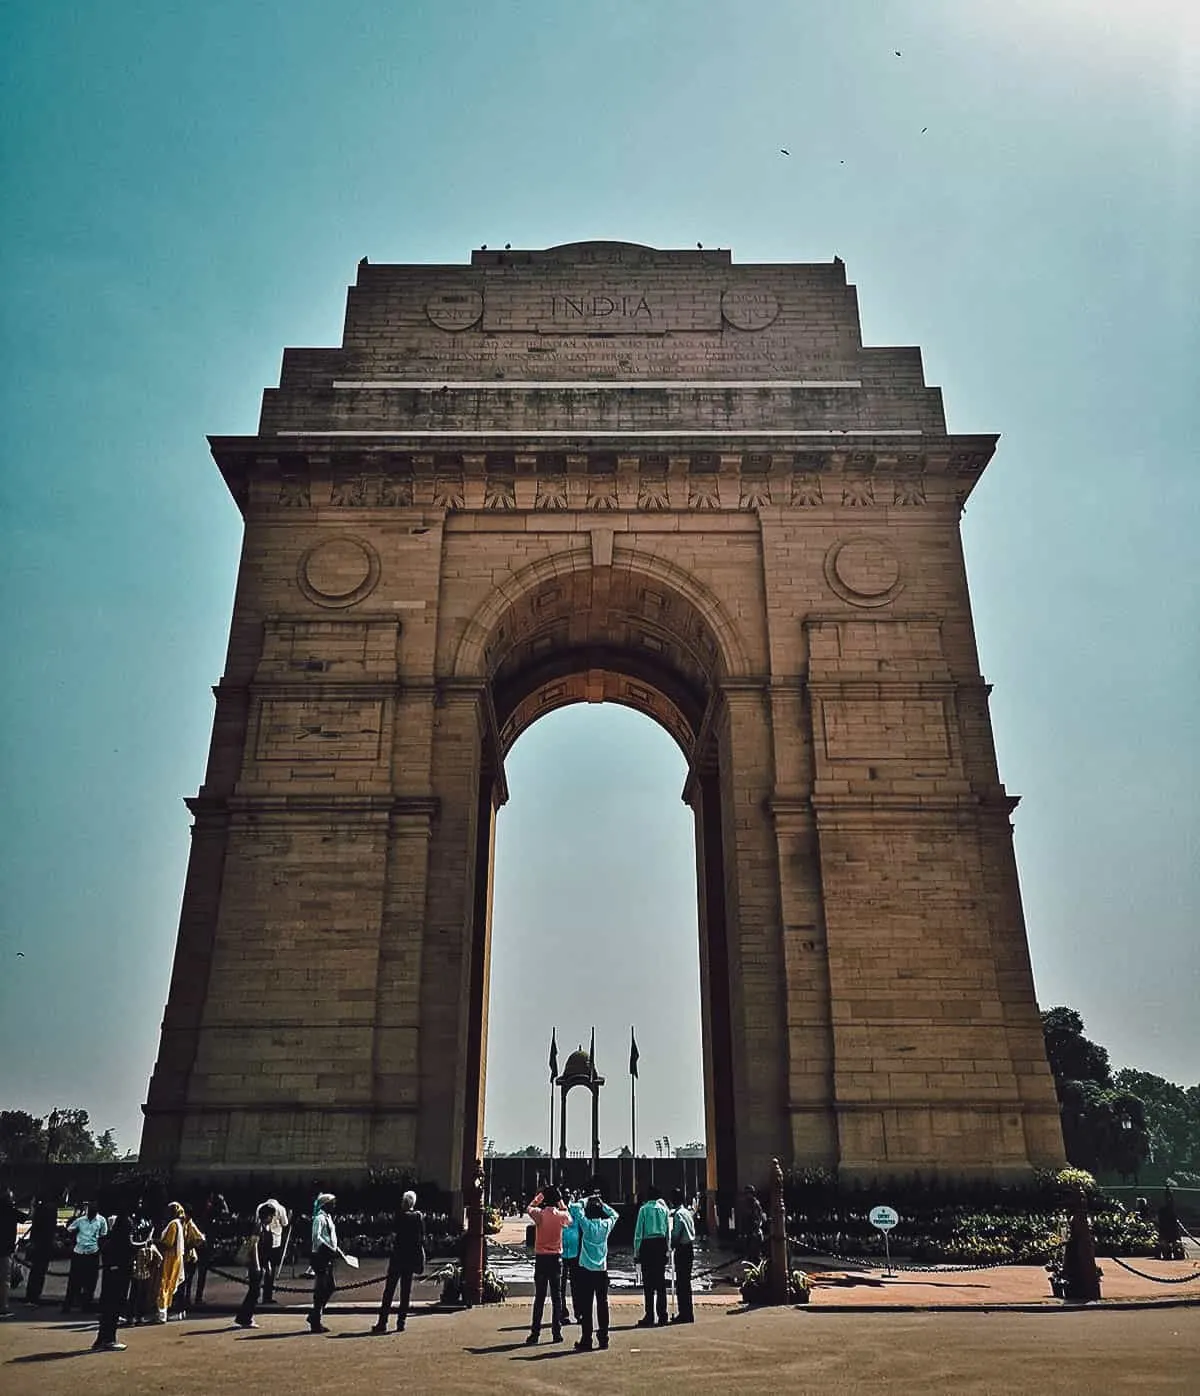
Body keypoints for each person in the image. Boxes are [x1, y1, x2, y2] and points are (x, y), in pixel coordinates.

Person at [372, 1189, 425, 1334]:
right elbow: (421, 1238)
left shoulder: (400, 1216)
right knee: (405, 1292)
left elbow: (393, 1234)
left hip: (397, 1258)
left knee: (389, 1291)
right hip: (410, 1259)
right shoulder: (418, 1217)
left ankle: (382, 1322)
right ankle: (401, 1322)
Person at [524, 1184, 572, 1345]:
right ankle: (556, 1332)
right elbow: (569, 1219)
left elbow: (529, 1207)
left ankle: (535, 1333)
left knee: (540, 1297)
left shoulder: (539, 1215)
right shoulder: (560, 1216)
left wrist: (540, 1196)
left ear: (545, 1200)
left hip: (541, 1258)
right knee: (557, 1297)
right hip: (556, 1258)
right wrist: (560, 1201)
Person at [574, 1191, 618, 1352]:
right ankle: (604, 1338)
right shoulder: (606, 1225)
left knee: (586, 1305)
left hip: (586, 1269)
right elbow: (615, 1214)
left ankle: (586, 1339)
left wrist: (586, 1200)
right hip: (601, 1269)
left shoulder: (586, 1225)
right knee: (602, 1304)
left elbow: (576, 1208)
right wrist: (601, 1202)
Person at [93, 1204, 134, 1352]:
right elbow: (129, 1246)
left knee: (108, 1307)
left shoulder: (111, 1237)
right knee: (115, 1306)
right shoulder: (125, 1225)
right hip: (120, 1270)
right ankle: (109, 1339)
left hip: (112, 1270)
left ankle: (102, 1338)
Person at [308, 1192, 349, 1333]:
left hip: (327, 1255)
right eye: (332, 1203)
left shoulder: (328, 1218)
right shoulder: (319, 1218)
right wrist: (329, 1247)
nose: (335, 1205)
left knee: (330, 1286)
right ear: (326, 1205)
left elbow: (330, 1236)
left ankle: (315, 1314)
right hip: (320, 1256)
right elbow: (316, 1237)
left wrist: (336, 1249)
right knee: (321, 1289)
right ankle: (316, 1319)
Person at [633, 1186, 671, 1327]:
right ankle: (663, 1315)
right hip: (660, 1244)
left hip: (647, 1245)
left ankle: (649, 1316)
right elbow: (668, 1232)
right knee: (660, 1283)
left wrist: (636, 1252)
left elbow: (638, 1233)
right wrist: (667, 1249)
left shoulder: (643, 1210)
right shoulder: (663, 1210)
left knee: (648, 1284)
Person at [234, 1202, 275, 1329]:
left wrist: (267, 1264)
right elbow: (254, 1246)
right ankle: (245, 1317)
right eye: (271, 1216)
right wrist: (257, 1265)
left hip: (262, 1262)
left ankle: (243, 1317)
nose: (272, 1219)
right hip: (255, 1264)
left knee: (255, 1291)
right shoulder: (258, 1226)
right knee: (254, 1292)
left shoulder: (265, 1227)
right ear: (267, 1216)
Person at [62, 1201, 108, 1313]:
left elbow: (104, 1235)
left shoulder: (101, 1221)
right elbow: (69, 1230)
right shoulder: (80, 1220)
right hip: (79, 1252)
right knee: (74, 1281)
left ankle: (86, 1304)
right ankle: (68, 1304)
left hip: (92, 1253)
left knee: (90, 1281)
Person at [22, 1195, 58, 1305]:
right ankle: (34, 1296)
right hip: (44, 1245)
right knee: (40, 1272)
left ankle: (30, 1296)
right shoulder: (51, 1211)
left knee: (35, 1272)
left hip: (37, 1244)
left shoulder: (40, 1211)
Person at [155, 1202, 188, 1322]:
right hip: (176, 1257)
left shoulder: (173, 1225)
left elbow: (169, 1243)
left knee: (164, 1284)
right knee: (169, 1284)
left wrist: (156, 1241)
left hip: (170, 1258)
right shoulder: (178, 1224)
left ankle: (162, 1313)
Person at [0, 1188, 28, 1318]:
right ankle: (3, 1307)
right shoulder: (11, 1211)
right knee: (4, 1280)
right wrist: (33, 1206)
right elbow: (26, 1218)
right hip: (5, 1249)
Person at [670, 1188, 696, 1323]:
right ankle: (688, 1312)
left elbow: (676, 1233)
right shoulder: (687, 1212)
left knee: (681, 1283)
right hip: (689, 1248)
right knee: (686, 1283)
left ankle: (683, 1314)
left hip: (682, 1249)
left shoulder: (678, 1214)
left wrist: (671, 1245)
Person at [559, 1188, 582, 1326]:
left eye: (569, 1195)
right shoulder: (557, 1211)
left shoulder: (576, 1209)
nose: (567, 1198)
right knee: (560, 1287)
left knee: (576, 1284)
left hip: (574, 1252)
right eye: (564, 1196)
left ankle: (578, 1313)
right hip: (560, 1251)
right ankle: (563, 1314)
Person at [261, 1197, 289, 1303]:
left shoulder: (260, 1206)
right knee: (271, 1270)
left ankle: (260, 1295)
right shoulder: (281, 1208)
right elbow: (285, 1223)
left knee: (265, 1270)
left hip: (264, 1242)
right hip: (275, 1241)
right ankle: (267, 1296)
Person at [741, 1185, 765, 1263]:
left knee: (756, 1255)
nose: (746, 1196)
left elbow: (759, 1218)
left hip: (755, 1232)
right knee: (749, 1256)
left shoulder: (755, 1204)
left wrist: (756, 1230)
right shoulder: (745, 1204)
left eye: (748, 1193)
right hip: (748, 1232)